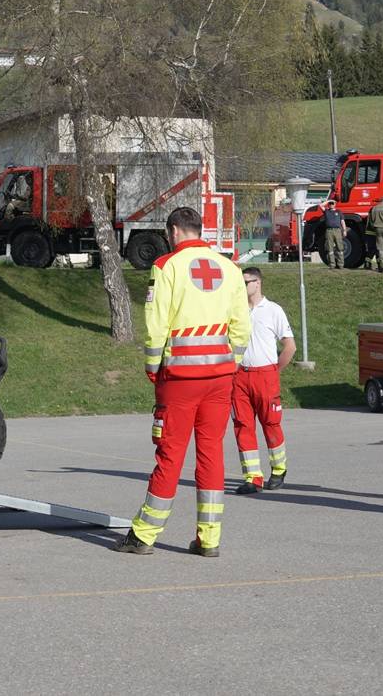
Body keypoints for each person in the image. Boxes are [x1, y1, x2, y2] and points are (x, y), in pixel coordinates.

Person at [115, 206, 250, 557]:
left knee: (170, 454)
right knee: (211, 453)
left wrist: (152, 367)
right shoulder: (230, 268)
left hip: (180, 378)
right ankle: (209, 539)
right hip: (220, 377)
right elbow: (241, 327)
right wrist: (230, 363)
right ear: (199, 230)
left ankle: (144, 535)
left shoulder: (166, 267)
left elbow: (157, 321)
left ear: (174, 231)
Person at [231, 267, 296, 494]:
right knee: (242, 425)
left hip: (265, 375)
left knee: (270, 423)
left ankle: (278, 469)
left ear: (257, 283)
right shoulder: (235, 309)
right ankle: (252, 477)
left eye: (246, 282)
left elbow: (290, 346)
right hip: (239, 376)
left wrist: (274, 369)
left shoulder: (273, 310)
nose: (242, 286)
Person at [322, 199, 348, 269]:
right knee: (330, 248)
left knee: (340, 248)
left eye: (332, 203)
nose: (331, 204)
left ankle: (341, 265)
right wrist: (328, 201)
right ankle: (332, 265)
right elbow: (320, 205)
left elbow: (342, 222)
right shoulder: (326, 211)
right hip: (329, 231)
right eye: (330, 204)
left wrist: (344, 230)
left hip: (337, 231)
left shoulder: (339, 212)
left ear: (335, 204)